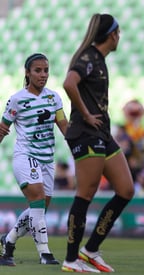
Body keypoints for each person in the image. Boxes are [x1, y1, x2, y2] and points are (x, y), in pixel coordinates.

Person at [60, 13, 135, 273]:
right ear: (112, 35)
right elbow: (69, 83)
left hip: (102, 133)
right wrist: (85, 113)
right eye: (119, 33)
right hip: (86, 132)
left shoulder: (98, 59)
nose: (119, 38)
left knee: (126, 190)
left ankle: (90, 250)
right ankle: (71, 260)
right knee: (86, 193)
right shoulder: (89, 57)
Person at [0, 53, 68, 266]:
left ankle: (8, 240)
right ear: (27, 73)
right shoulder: (17, 99)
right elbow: (3, 128)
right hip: (25, 156)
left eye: (46, 70)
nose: (43, 74)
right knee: (37, 199)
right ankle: (45, 253)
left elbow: (64, 125)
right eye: (38, 70)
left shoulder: (54, 98)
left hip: (47, 159)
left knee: (39, 209)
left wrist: (80, 146)